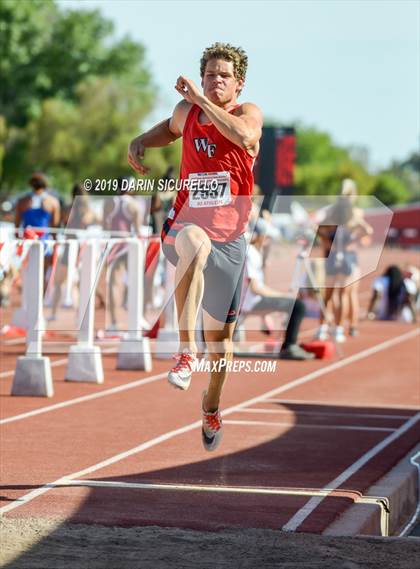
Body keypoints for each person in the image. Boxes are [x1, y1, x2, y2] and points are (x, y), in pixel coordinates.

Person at [128, 42, 263, 451]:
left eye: (223, 75)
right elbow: (167, 128)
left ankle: (211, 404)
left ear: (238, 83)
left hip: (232, 240)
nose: (215, 80)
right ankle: (186, 352)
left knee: (222, 347)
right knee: (194, 245)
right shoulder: (187, 112)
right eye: (209, 74)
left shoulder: (247, 114)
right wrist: (140, 141)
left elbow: (243, 136)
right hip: (187, 224)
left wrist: (201, 98)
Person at [240, 220, 315, 360]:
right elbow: (256, 289)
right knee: (298, 306)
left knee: (294, 304)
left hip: (249, 300)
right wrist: (284, 296)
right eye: (267, 237)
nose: (269, 240)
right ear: (258, 236)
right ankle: (290, 347)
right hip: (250, 302)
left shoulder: (253, 252)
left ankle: (290, 345)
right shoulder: (250, 254)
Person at [315, 194, 373, 343]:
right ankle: (322, 328)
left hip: (347, 259)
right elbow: (319, 229)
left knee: (343, 294)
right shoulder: (331, 220)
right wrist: (328, 243)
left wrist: (352, 240)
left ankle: (339, 329)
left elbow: (368, 231)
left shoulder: (352, 222)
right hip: (333, 258)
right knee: (327, 294)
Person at [49, 183, 99, 320]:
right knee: (80, 284)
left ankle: (53, 313)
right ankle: (80, 315)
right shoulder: (89, 210)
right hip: (83, 250)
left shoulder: (66, 208)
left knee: (59, 282)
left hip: (69, 249)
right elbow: (99, 221)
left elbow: (58, 223)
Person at [103, 177, 144, 331]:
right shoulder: (134, 205)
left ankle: (113, 322)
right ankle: (136, 319)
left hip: (114, 244)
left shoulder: (108, 202)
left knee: (114, 282)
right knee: (136, 281)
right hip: (129, 244)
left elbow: (104, 226)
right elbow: (138, 230)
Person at [15, 172, 61, 290]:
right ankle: (39, 302)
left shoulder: (22, 201)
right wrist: (55, 244)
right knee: (42, 273)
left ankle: (28, 302)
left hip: (26, 240)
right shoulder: (52, 202)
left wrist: (18, 242)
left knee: (28, 272)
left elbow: (17, 225)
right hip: (44, 242)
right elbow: (55, 227)